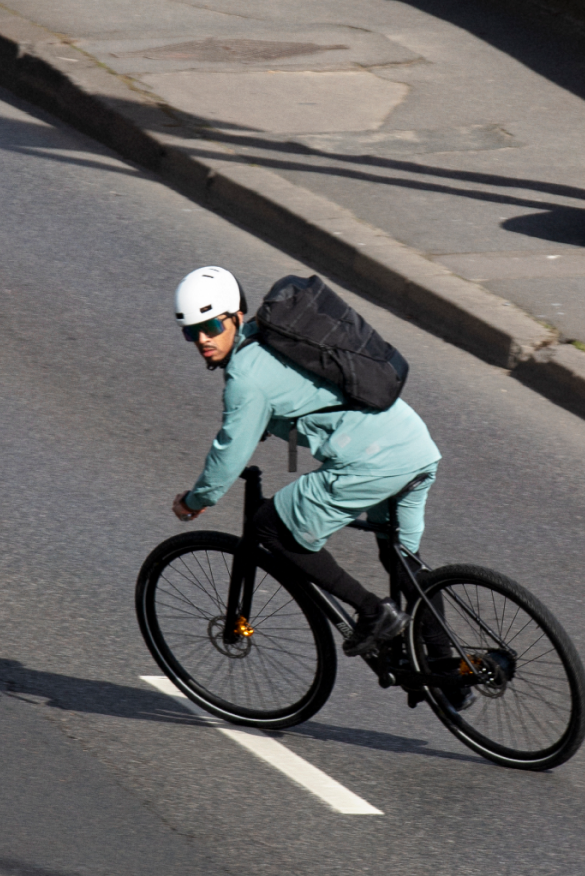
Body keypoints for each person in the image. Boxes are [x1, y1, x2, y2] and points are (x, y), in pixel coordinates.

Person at [171, 265, 442, 657]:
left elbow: (229, 453)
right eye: (189, 331)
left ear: (236, 316)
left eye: (211, 325)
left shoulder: (245, 377)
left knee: (271, 529)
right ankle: (452, 672)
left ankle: (372, 613)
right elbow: (308, 397)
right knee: (402, 562)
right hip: (413, 444)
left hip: (371, 461)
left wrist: (197, 500)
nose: (201, 339)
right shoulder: (279, 338)